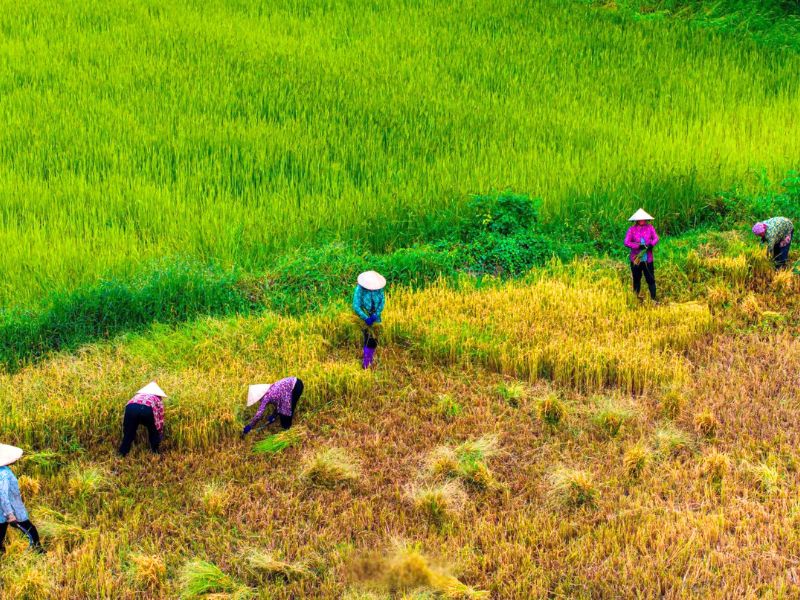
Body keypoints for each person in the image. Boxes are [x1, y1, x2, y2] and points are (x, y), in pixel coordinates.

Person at [0, 444, 44, 555]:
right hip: (12, 510)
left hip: (2, 512)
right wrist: (10, 515)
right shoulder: (4, 473)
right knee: (30, 529)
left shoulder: (4, 470)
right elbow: (3, 495)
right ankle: (38, 551)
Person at [118, 382, 167, 457]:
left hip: (131, 407)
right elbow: (160, 417)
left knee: (129, 432)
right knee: (153, 431)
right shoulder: (157, 399)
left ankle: (122, 453)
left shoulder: (138, 396)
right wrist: (159, 430)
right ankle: (155, 452)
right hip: (147, 410)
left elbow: (129, 405)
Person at [352, 270, 386, 369]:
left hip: (376, 318)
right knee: (368, 338)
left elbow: (382, 303)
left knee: (375, 338)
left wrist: (376, 314)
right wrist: (366, 318)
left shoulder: (379, 290)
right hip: (364, 318)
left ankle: (369, 357)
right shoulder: (360, 289)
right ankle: (366, 362)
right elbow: (356, 305)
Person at [624, 208, 659, 302]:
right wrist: (637, 246)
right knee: (636, 279)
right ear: (636, 220)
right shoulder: (632, 230)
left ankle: (653, 299)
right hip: (636, 259)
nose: (641, 220)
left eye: (643, 219)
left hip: (648, 259)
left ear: (646, 219)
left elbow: (656, 238)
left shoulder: (650, 228)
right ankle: (636, 298)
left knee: (650, 279)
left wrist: (651, 244)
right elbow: (626, 242)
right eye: (639, 219)